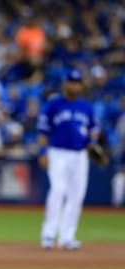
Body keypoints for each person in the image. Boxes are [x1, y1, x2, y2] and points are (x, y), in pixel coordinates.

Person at [37, 69, 100, 250]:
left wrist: (93, 143)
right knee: (58, 190)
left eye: (77, 82)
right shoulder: (54, 104)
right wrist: (43, 152)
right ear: (65, 84)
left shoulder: (86, 107)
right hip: (58, 153)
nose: (74, 85)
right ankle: (48, 234)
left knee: (76, 195)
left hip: (80, 155)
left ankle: (67, 236)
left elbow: (93, 129)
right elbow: (43, 130)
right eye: (72, 82)